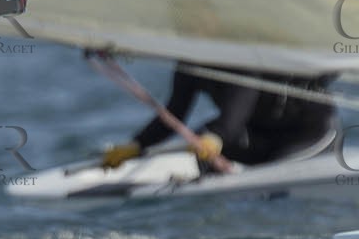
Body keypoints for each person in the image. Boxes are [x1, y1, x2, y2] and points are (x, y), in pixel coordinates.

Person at [101, 62, 336, 169]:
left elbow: (236, 113)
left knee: (212, 137)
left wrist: (217, 137)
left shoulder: (241, 57)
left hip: (308, 135)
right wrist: (137, 144)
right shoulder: (190, 63)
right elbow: (175, 114)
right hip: (258, 137)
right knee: (202, 138)